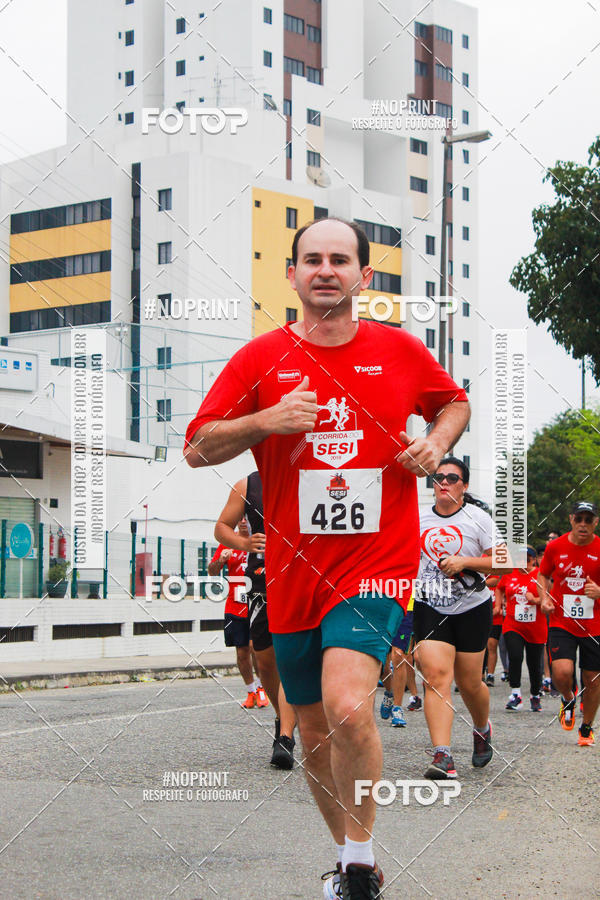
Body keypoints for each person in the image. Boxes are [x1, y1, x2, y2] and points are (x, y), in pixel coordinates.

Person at [184, 216, 469, 899]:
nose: (325, 270)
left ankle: (362, 865)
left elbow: (454, 403)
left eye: (340, 260)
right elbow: (196, 446)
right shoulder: (259, 359)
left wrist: (435, 443)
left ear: (363, 276)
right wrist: (266, 420)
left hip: (376, 563)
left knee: (346, 707)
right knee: (312, 729)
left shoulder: (400, 350)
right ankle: (345, 855)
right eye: (312, 259)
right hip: (291, 574)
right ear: (292, 275)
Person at [413, 457, 508, 780]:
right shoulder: (417, 517)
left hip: (471, 608)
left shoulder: (478, 519)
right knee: (436, 676)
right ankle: (443, 754)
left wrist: (464, 562)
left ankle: (481, 728)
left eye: (452, 478)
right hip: (429, 605)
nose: (444, 482)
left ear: (464, 486)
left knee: (469, 683)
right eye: (438, 477)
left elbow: (506, 562)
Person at [213, 474, 297, 769]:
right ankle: (281, 717)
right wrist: (244, 543)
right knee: (265, 660)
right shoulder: (247, 485)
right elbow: (221, 527)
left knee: (291, 659)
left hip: (300, 577)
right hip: (261, 580)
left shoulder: (307, 473)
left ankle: (285, 736)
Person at [539, 501, 600, 746]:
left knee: (592, 679)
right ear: (571, 519)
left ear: (596, 522)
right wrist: (544, 597)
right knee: (562, 672)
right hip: (561, 621)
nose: (583, 524)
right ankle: (568, 698)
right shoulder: (555, 547)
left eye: (588, 520)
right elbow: (543, 574)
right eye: (579, 519)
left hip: (594, 625)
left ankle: (586, 727)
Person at [207, 531, 268, 708]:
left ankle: (261, 688)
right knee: (242, 652)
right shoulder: (229, 541)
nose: (242, 520)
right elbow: (212, 571)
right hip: (235, 605)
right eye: (239, 518)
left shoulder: (259, 538)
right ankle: (251, 691)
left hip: (257, 602)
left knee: (256, 648)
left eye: (244, 518)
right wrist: (221, 560)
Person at [496, 547, 547, 712]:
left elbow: (549, 598)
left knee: (534, 663)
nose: (523, 562)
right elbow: (499, 587)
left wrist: (536, 600)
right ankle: (515, 694)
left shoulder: (540, 575)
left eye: (527, 559)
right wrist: (498, 605)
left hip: (535, 626)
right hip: (513, 624)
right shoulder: (510, 573)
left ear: (534, 560)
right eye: (519, 558)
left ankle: (535, 695)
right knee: (515, 656)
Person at [484, 574, 502, 686]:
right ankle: (479, 674)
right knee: (480, 647)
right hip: (480, 619)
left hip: (495, 619)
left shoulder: (497, 580)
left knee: (491, 645)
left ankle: (490, 674)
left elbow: (497, 581)